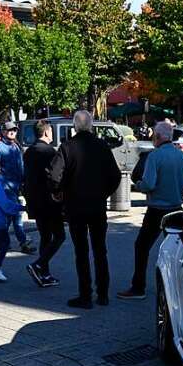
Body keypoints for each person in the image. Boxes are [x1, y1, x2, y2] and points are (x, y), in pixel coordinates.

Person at [49, 109, 121, 309]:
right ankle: (103, 294)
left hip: (76, 206)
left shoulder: (67, 147)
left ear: (74, 126)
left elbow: (54, 176)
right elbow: (115, 176)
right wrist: (103, 193)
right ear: (90, 126)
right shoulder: (102, 146)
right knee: (100, 250)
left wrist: (58, 191)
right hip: (97, 206)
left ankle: (85, 295)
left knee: (81, 251)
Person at [118, 121, 183, 300]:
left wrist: (139, 185)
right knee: (178, 252)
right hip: (176, 209)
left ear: (157, 137)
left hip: (157, 210)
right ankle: (181, 289)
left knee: (142, 246)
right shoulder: (181, 156)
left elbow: (149, 183)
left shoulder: (155, 156)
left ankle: (138, 287)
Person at [23, 119, 64, 287]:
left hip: (34, 200)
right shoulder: (50, 152)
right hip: (49, 201)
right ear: (47, 132)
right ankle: (39, 265)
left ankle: (44, 273)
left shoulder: (29, 152)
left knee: (45, 236)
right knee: (60, 236)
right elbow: (55, 177)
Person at [0, 122, 35, 254]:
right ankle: (23, 242)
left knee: (9, 217)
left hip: (15, 187)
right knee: (16, 215)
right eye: (10, 130)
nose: (12, 132)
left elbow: (21, 166)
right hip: (4, 187)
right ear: (3, 131)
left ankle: (0, 240)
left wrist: (24, 181)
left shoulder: (15, 147)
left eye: (14, 130)